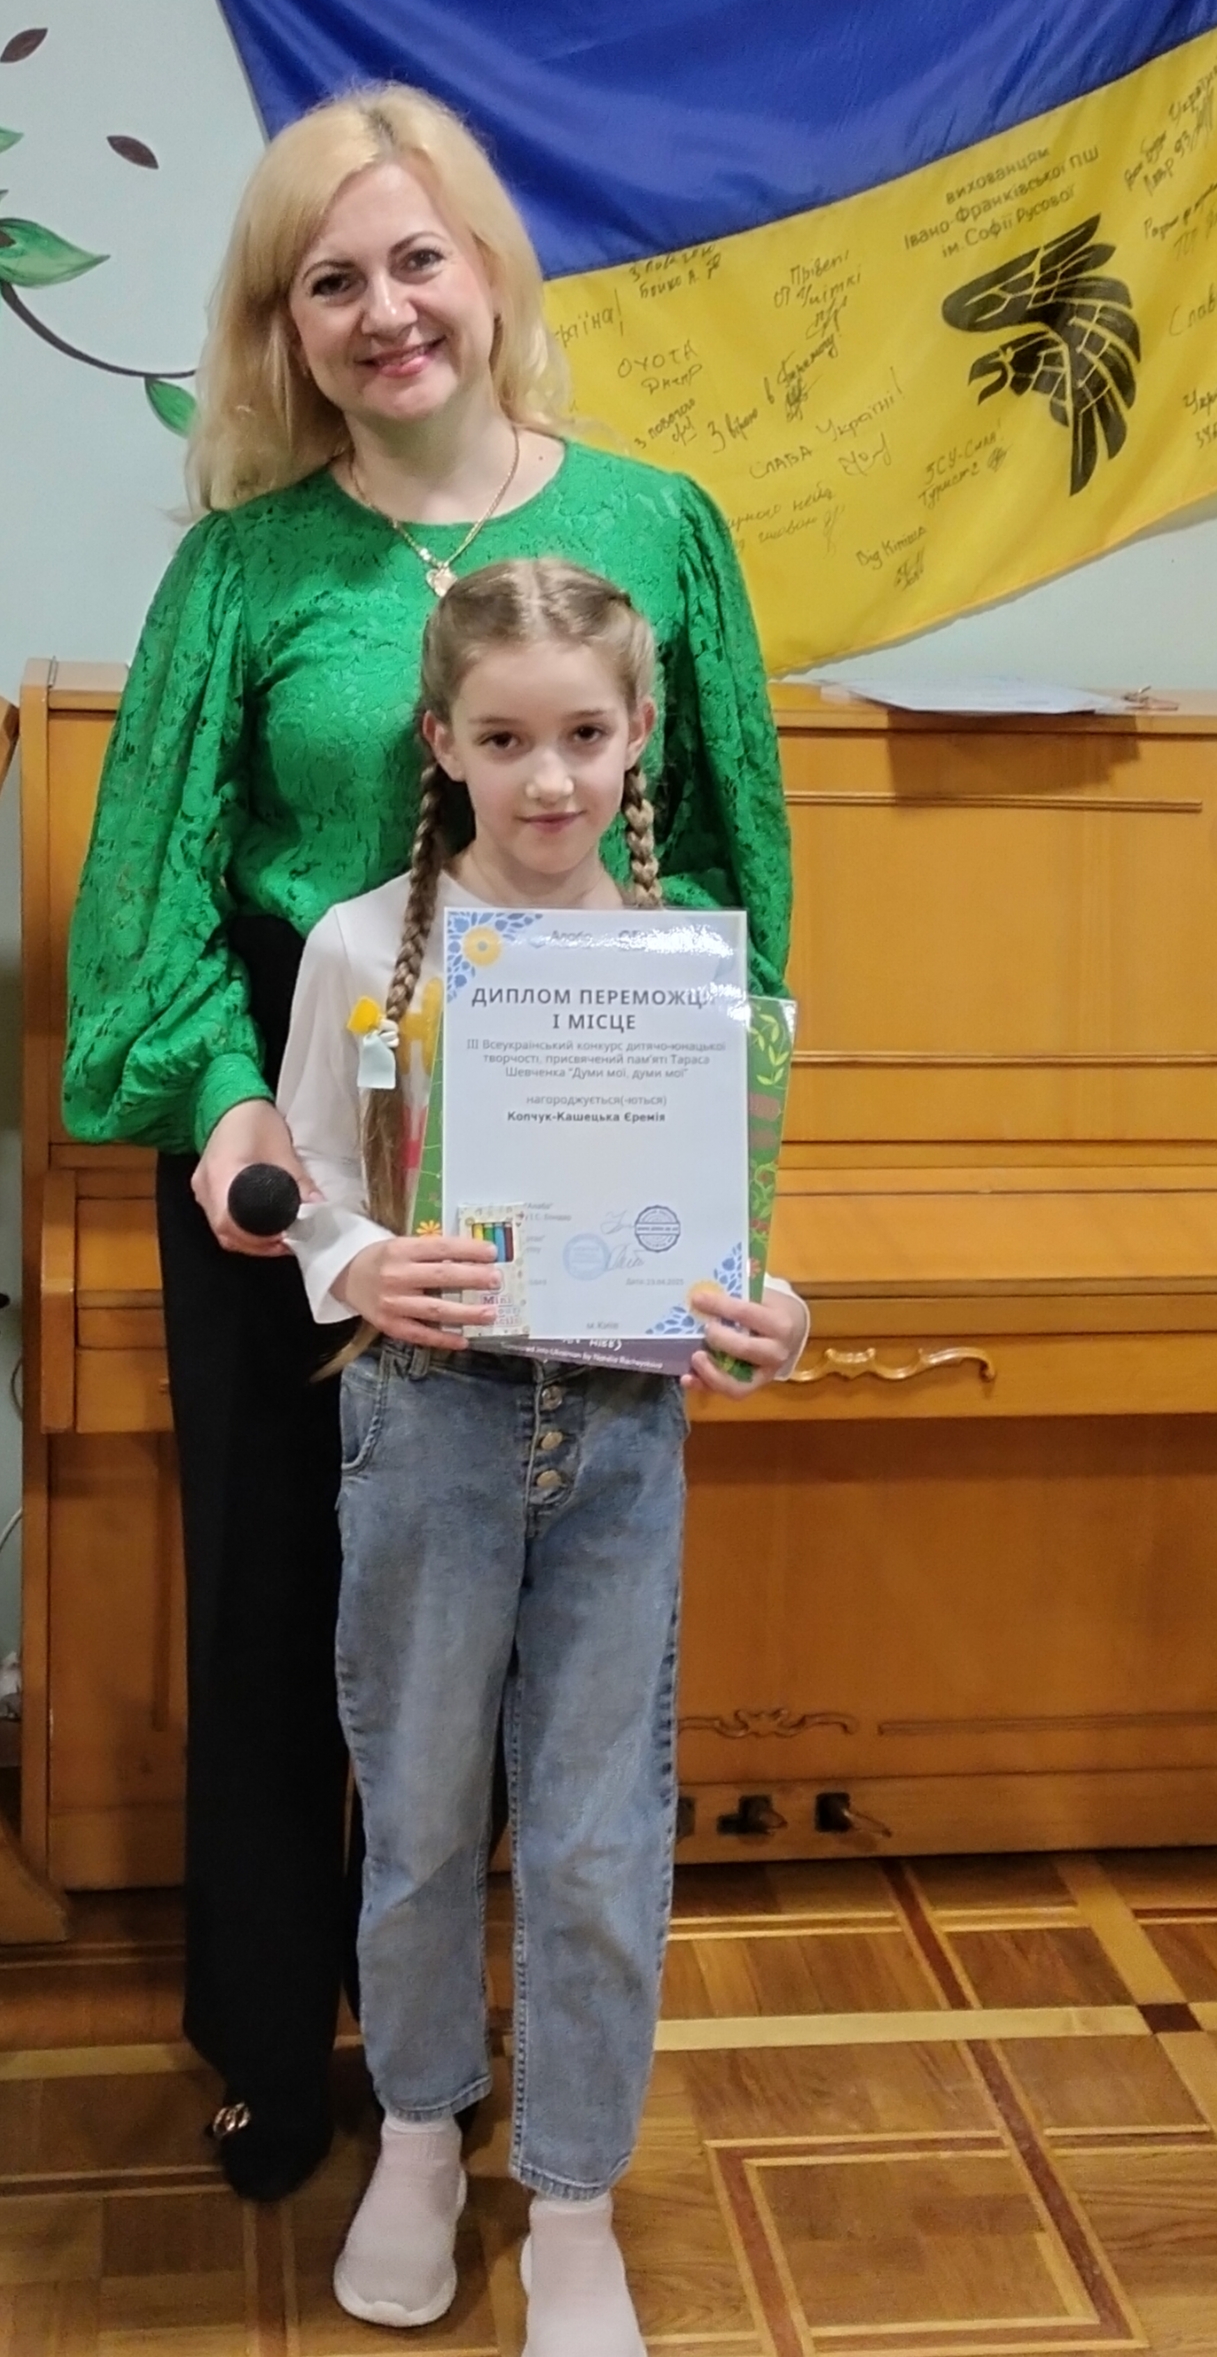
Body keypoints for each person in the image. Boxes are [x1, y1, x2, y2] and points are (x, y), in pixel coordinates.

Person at [61, 82, 793, 2204]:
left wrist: (707, 1202)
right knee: (289, 1613)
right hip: (301, 1162)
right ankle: (284, 2050)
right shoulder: (243, 566)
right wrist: (238, 1129)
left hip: (573, 1166)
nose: (383, 311)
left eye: (414, 259)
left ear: (486, 272)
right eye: (328, 282)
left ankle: (486, 2094)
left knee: (529, 1675)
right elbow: (153, 892)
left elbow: (728, 876)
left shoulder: (661, 524)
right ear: (281, 329)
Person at [278, 557, 808, 2347]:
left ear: (638, 733)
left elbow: (719, 1229)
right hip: (425, 1425)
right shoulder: (361, 945)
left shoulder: (686, 962)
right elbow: (316, 1191)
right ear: (440, 742)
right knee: (421, 1813)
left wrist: (769, 1310)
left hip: (624, 1433)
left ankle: (573, 2197)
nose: (549, 777)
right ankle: (423, 2135)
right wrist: (358, 1261)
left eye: (583, 734)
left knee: (592, 1837)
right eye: (502, 740)